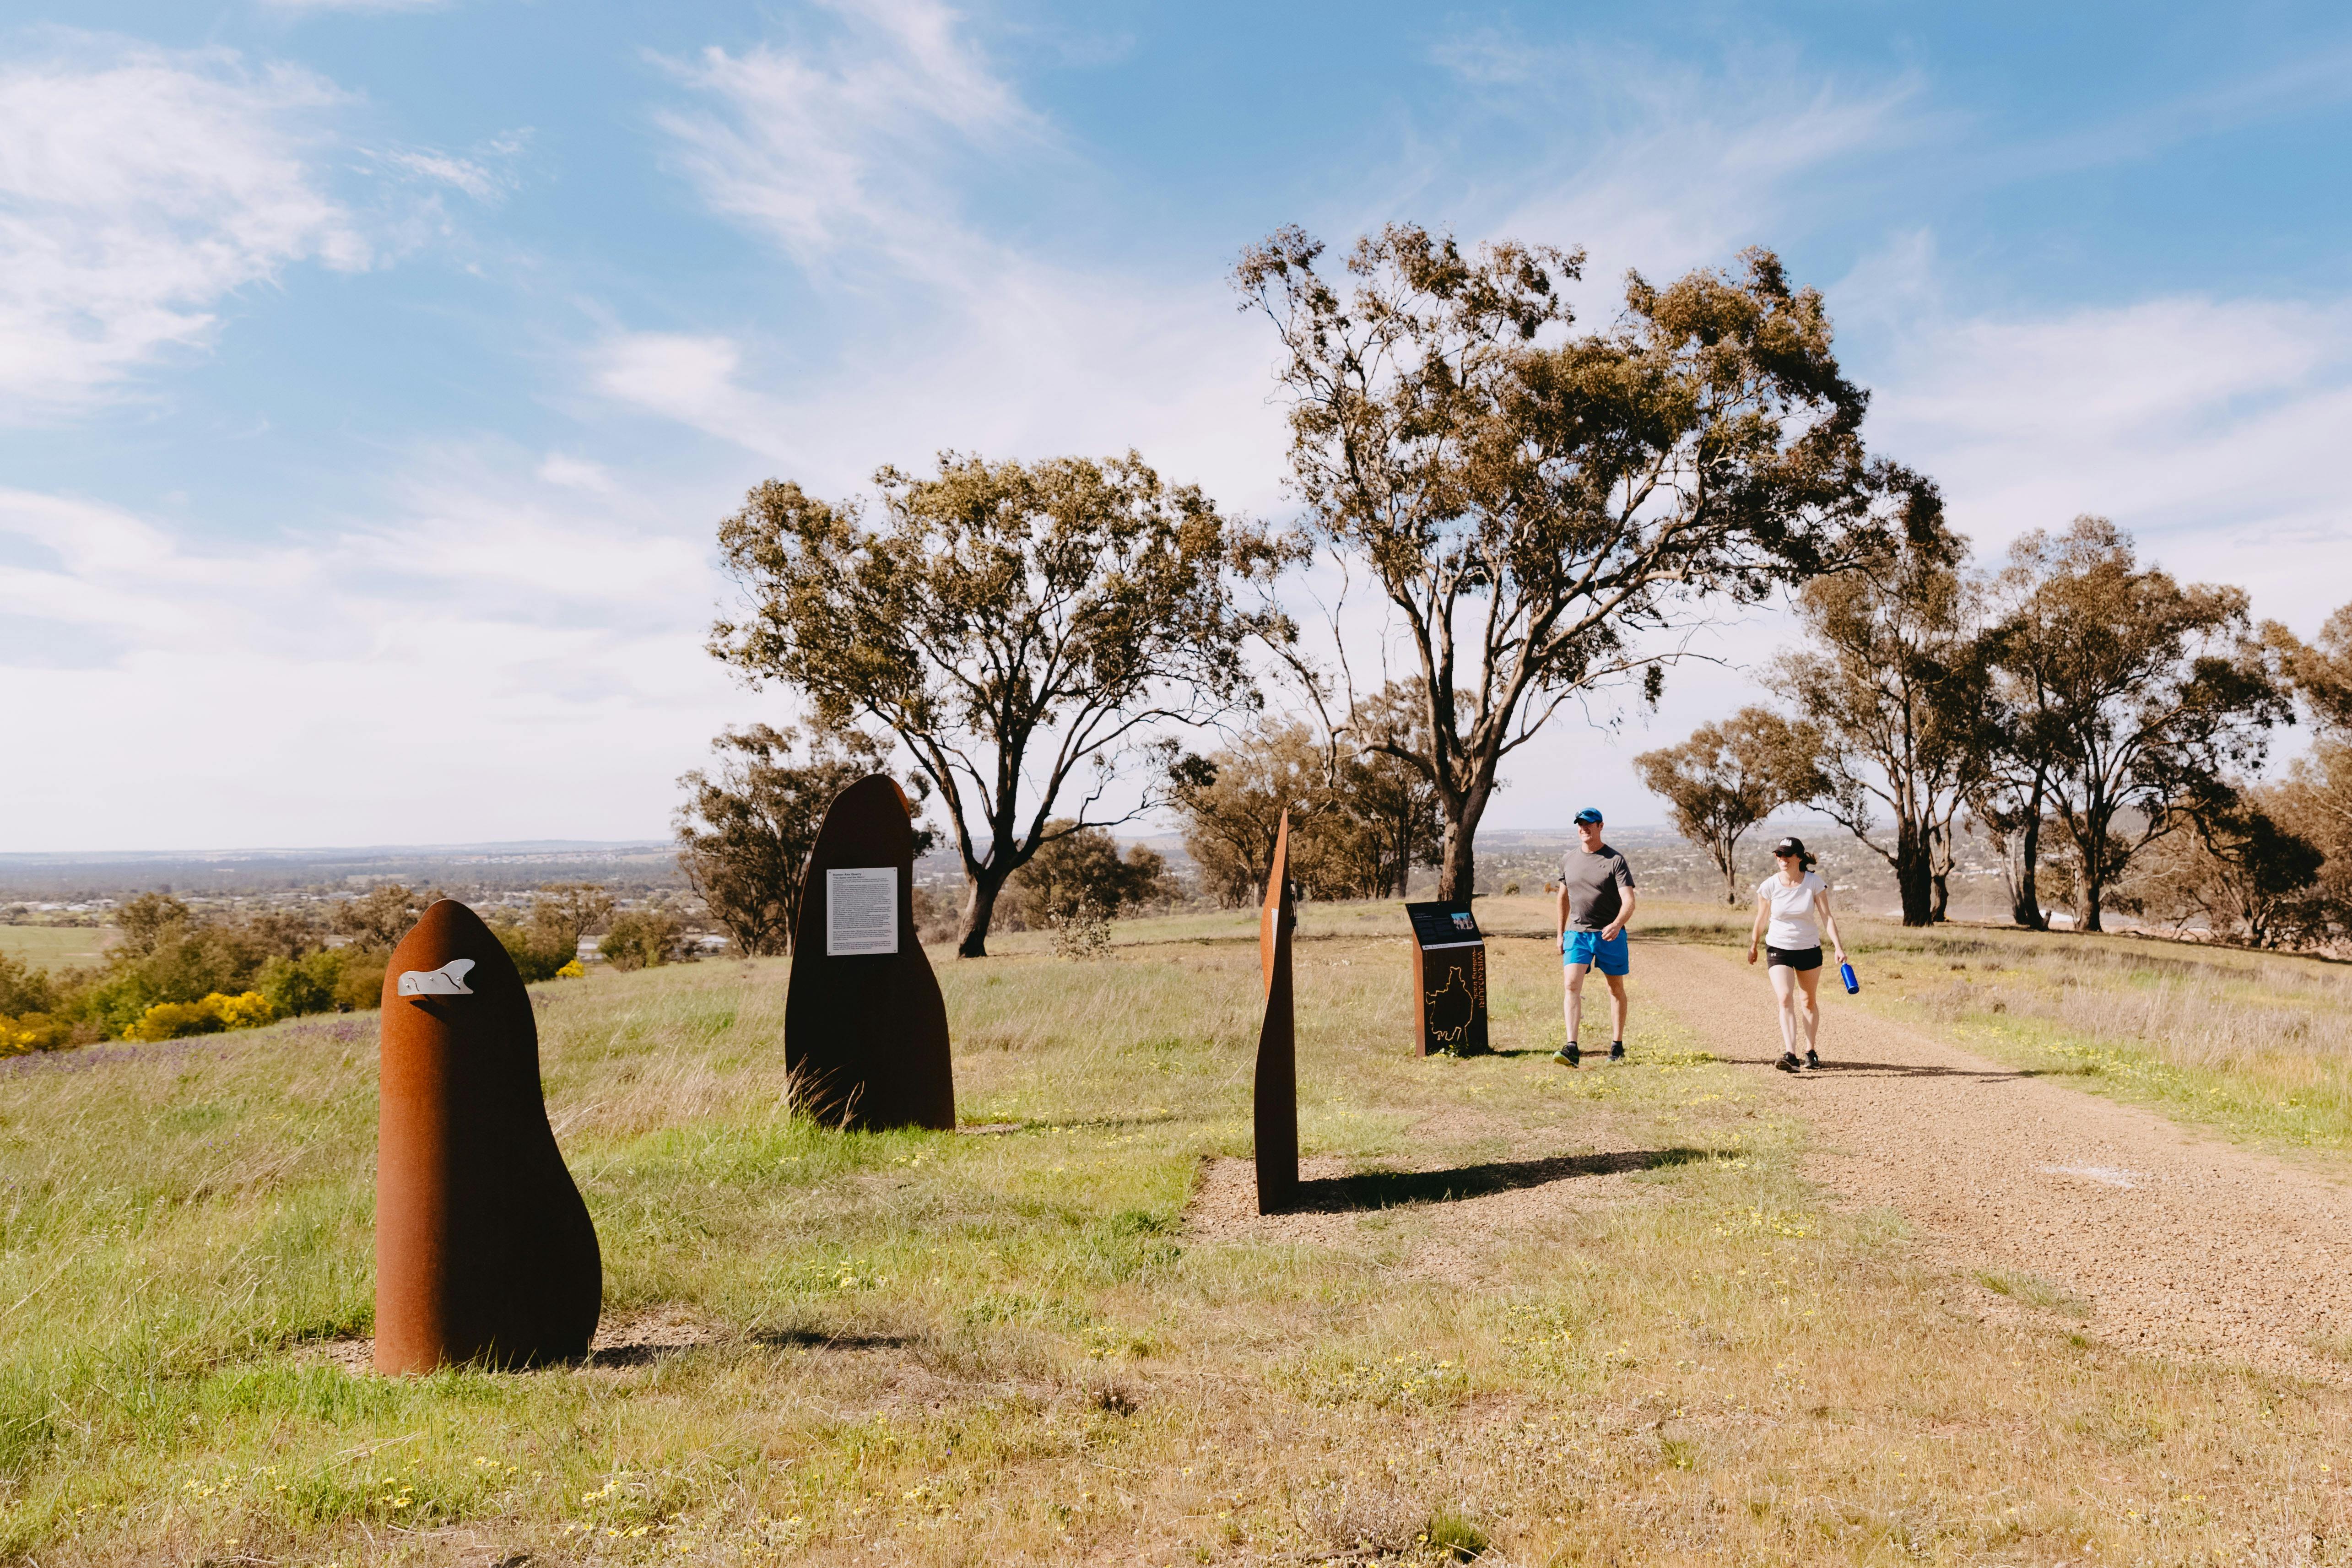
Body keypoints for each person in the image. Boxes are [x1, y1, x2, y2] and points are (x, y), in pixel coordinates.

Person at [1745, 835, 1848, 1073]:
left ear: (1799, 858)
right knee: (1784, 998)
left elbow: (1827, 917)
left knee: (1808, 1001)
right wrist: (1754, 944)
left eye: (1787, 854)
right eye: (1779, 854)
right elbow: (1761, 918)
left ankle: (1810, 1052)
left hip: (1809, 948)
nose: (1781, 858)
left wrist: (1838, 947)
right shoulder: (1769, 885)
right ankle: (1790, 1054)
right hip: (1778, 948)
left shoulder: (1814, 883)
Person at [1553, 807, 1637, 1068]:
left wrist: (1618, 923)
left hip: (1609, 935)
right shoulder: (1568, 859)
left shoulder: (1615, 860)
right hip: (1577, 934)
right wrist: (1560, 933)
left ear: (1601, 826)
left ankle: (1617, 1045)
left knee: (1615, 988)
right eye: (1580, 824)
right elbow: (1563, 897)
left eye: (1589, 824)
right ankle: (1571, 1048)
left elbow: (1629, 901)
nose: (1583, 828)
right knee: (1571, 986)